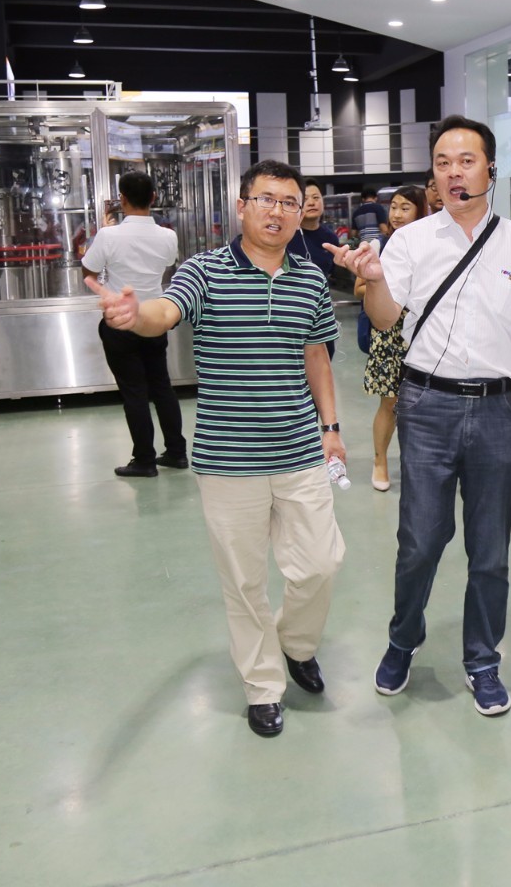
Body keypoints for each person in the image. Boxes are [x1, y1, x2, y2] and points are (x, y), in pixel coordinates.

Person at [329, 114, 511, 717]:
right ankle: (402, 639)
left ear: (490, 168)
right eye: (442, 163)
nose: (453, 172)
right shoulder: (411, 241)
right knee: (420, 540)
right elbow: (386, 318)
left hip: (498, 409)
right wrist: (373, 279)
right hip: (426, 405)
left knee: (490, 549)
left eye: (466, 161)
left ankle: (483, 659)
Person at [90, 159, 346, 739]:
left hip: (300, 449)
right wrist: (135, 316)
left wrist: (330, 428)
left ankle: (296, 643)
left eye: (288, 202)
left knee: (321, 563)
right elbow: (165, 313)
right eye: (266, 199)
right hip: (229, 459)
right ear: (242, 206)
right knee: (244, 582)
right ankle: (262, 685)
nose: (277, 211)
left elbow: (317, 357)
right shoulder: (204, 271)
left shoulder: (310, 279)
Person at [82, 171, 185, 478]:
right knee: (162, 386)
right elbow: (167, 264)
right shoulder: (168, 236)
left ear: (122, 199)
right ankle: (177, 452)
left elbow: (88, 271)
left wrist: (105, 235)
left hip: (120, 321)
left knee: (134, 392)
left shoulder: (108, 236)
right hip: (154, 317)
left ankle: (144, 460)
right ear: (153, 198)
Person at [357, 185, 429, 491]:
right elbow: (359, 288)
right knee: (391, 402)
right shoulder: (378, 245)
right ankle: (380, 461)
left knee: (426, 403)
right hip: (390, 333)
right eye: (394, 207)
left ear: (420, 211)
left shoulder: (432, 244)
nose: (397, 214)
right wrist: (390, 289)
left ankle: (418, 463)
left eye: (405, 208)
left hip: (426, 332)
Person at [289, 178, 340, 358]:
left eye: (316, 197)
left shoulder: (330, 238)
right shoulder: (287, 235)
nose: (312, 202)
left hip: (321, 310)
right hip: (292, 311)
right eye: (306, 199)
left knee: (324, 356)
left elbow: (331, 271)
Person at [351, 185, 391, 251]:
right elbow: (384, 229)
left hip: (364, 247)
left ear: (363, 199)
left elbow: (353, 234)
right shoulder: (378, 208)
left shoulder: (356, 213)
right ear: (376, 198)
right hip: (377, 246)